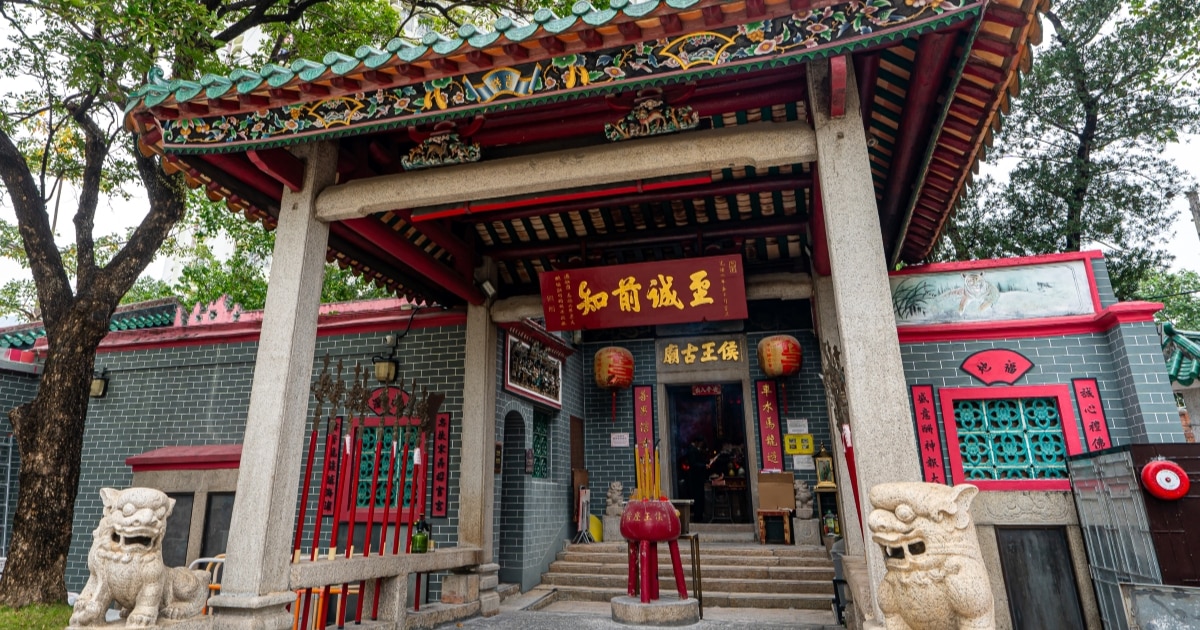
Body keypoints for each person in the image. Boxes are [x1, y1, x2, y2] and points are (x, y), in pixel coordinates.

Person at [682, 438, 708, 521]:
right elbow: (693, 464)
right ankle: (698, 517)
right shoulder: (692, 451)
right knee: (697, 498)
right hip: (695, 479)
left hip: (697, 478)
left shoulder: (694, 450)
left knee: (699, 498)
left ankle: (699, 515)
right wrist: (704, 466)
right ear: (697, 442)